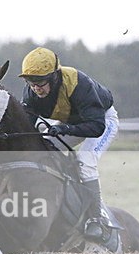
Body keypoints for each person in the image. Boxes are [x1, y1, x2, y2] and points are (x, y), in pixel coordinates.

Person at [18, 47, 119, 242]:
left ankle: (96, 219)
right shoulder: (30, 93)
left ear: (55, 77)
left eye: (40, 83)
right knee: (46, 148)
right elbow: (28, 130)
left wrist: (65, 130)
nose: (36, 88)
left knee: (84, 162)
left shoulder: (78, 84)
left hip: (102, 121)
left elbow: (96, 127)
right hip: (70, 123)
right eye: (31, 83)